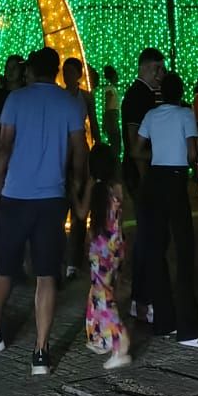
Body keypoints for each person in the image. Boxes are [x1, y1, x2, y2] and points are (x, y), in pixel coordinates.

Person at [0, 45, 87, 376]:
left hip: (16, 197)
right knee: (47, 275)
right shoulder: (69, 103)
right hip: (52, 200)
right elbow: (80, 151)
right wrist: (79, 184)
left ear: (31, 71)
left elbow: (4, 147)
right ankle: (41, 353)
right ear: (55, 71)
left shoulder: (16, 100)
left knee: (5, 268)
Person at [138, 72, 198, 348]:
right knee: (184, 253)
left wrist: (157, 153)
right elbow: (193, 153)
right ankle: (189, 330)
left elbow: (137, 150)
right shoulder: (184, 114)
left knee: (157, 250)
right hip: (175, 180)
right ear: (180, 91)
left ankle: (164, 321)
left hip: (155, 180)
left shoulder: (150, 115)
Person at [121, 46, 166, 321]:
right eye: (157, 69)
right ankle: (141, 298)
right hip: (142, 175)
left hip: (146, 173)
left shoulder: (147, 95)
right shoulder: (137, 96)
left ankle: (143, 297)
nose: (161, 74)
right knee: (149, 237)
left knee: (151, 236)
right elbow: (134, 145)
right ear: (146, 68)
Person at [79, 143, 131, 369]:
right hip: (117, 245)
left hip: (100, 250)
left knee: (103, 296)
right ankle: (98, 337)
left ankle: (120, 343)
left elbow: (82, 213)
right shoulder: (117, 187)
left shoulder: (95, 187)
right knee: (99, 293)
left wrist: (75, 191)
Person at [63, 55, 99, 278]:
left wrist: (99, 147)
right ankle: (63, 254)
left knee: (79, 206)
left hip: (81, 154)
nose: (66, 75)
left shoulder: (85, 97)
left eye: (70, 71)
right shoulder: (59, 95)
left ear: (78, 74)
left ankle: (73, 260)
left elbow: (93, 122)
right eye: (64, 71)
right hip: (62, 154)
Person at [0, 55, 25, 156]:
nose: (10, 71)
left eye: (14, 68)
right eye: (8, 68)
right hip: (2, 147)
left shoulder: (27, 94)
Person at [102, 65, 121, 160]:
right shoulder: (109, 88)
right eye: (116, 76)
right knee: (115, 137)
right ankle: (115, 158)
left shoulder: (112, 88)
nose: (117, 78)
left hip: (113, 114)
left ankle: (115, 156)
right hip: (111, 115)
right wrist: (105, 119)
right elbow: (108, 104)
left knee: (115, 136)